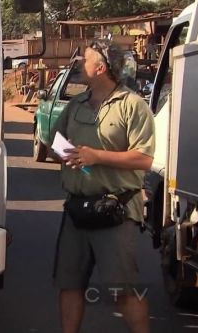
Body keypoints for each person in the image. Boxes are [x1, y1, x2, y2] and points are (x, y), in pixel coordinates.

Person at [48, 39, 155, 333]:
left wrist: (96, 156)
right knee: (69, 285)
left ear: (101, 67)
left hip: (115, 210)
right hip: (77, 209)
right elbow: (54, 143)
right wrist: (67, 154)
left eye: (87, 60)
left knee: (123, 291)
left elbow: (144, 158)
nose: (82, 64)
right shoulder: (76, 104)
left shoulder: (133, 106)